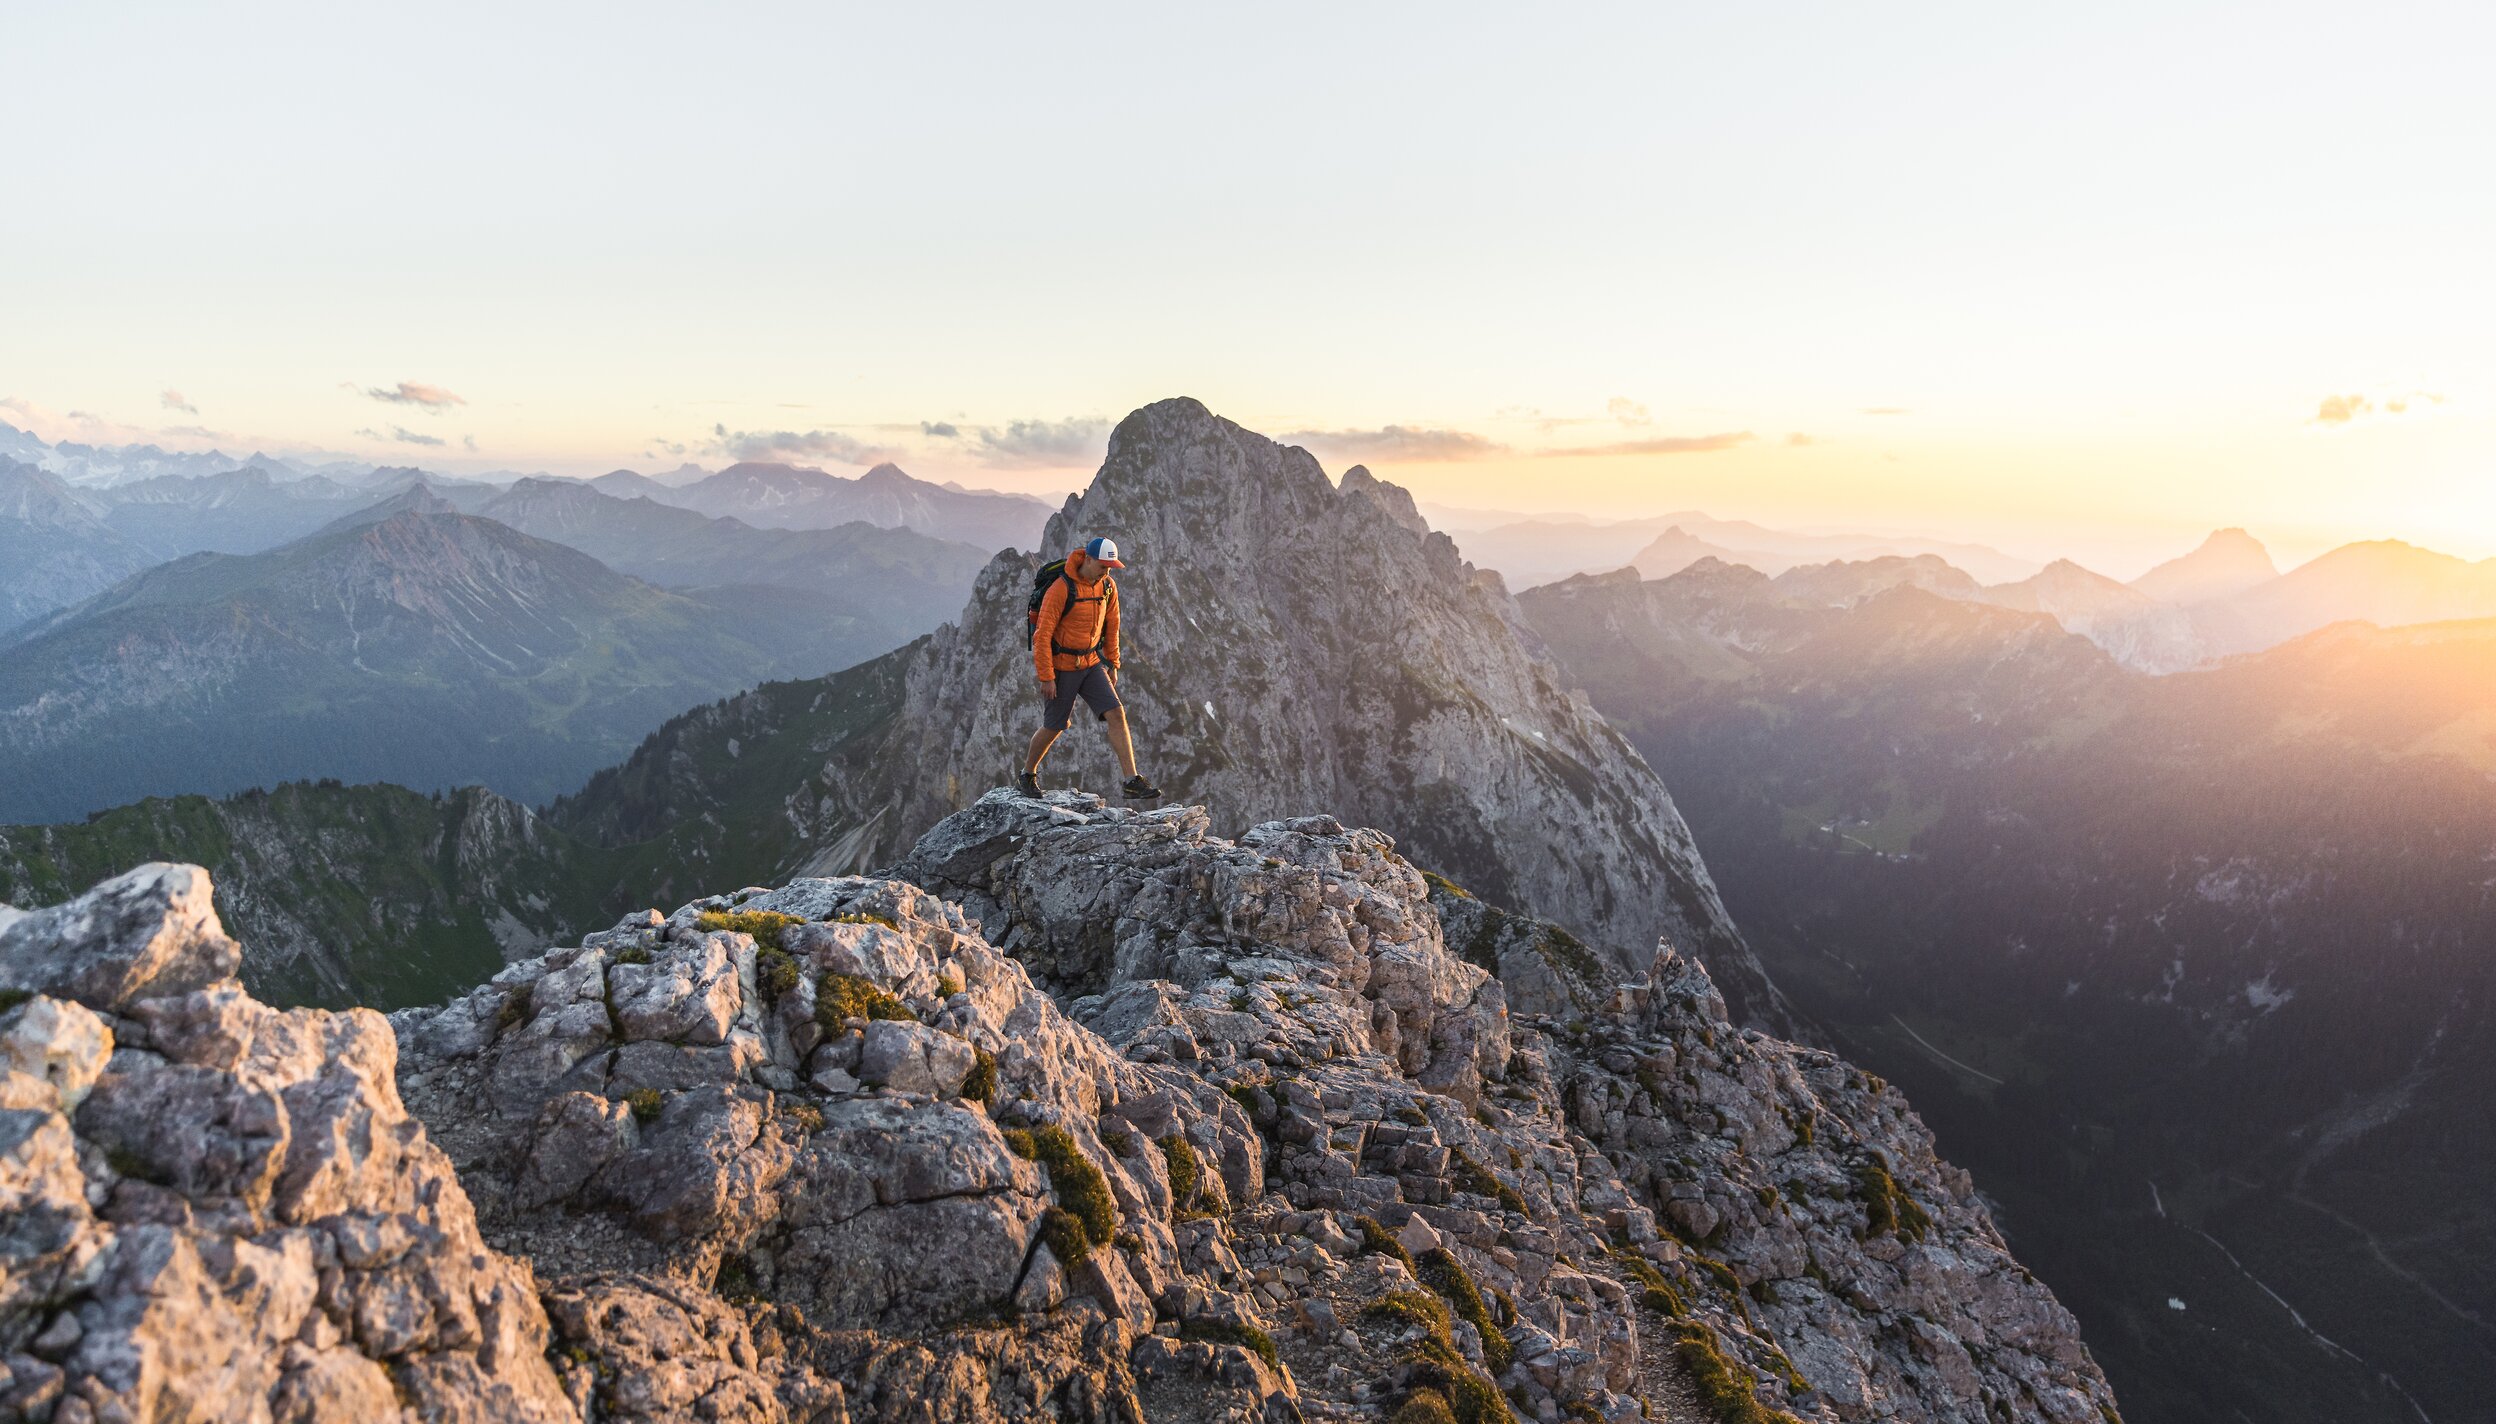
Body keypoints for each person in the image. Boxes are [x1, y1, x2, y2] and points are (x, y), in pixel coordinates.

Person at [1018, 536, 1161, 800]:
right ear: (1089, 559)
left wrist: (1113, 663)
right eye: (1103, 566)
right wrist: (1047, 677)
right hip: (1063, 667)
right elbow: (1042, 635)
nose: (1107, 571)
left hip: (1092, 663)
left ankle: (1131, 780)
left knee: (1117, 714)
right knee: (1054, 725)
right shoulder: (1061, 588)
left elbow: (1112, 626)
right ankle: (1027, 774)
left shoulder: (1107, 586)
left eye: (1110, 567)